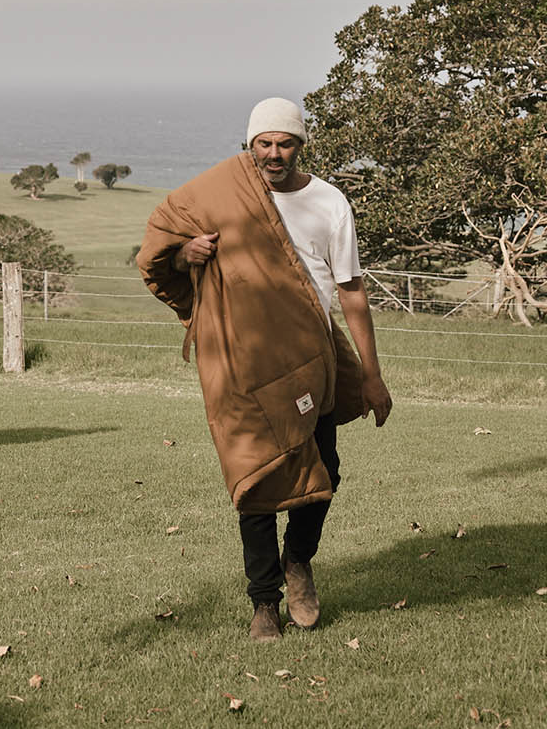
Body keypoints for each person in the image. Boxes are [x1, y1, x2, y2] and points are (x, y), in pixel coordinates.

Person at [137, 97, 392, 642]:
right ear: (249, 144)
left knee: (325, 474)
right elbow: (161, 253)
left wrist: (372, 374)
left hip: (310, 359)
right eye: (264, 143)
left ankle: (297, 560)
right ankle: (264, 603)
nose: (274, 154)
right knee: (255, 478)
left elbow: (351, 291)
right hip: (242, 362)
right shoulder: (220, 198)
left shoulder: (329, 203)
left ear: (301, 145)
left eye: (285, 143)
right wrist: (188, 255)